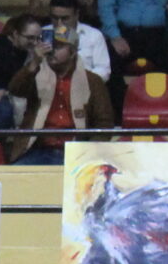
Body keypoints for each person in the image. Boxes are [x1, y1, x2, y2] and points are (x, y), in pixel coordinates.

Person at [9, 29, 114, 164]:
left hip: (77, 152)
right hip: (38, 149)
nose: (51, 50)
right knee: (15, 174)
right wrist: (34, 62)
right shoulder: (36, 74)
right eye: (49, 45)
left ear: (72, 51)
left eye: (58, 47)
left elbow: (104, 123)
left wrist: (89, 152)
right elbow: (16, 89)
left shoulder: (92, 81)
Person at [46, 0, 111, 82]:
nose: (59, 23)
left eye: (65, 18)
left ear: (76, 15)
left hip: (85, 86)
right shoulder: (43, 33)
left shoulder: (94, 35)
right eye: (55, 18)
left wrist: (79, 80)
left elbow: (104, 70)